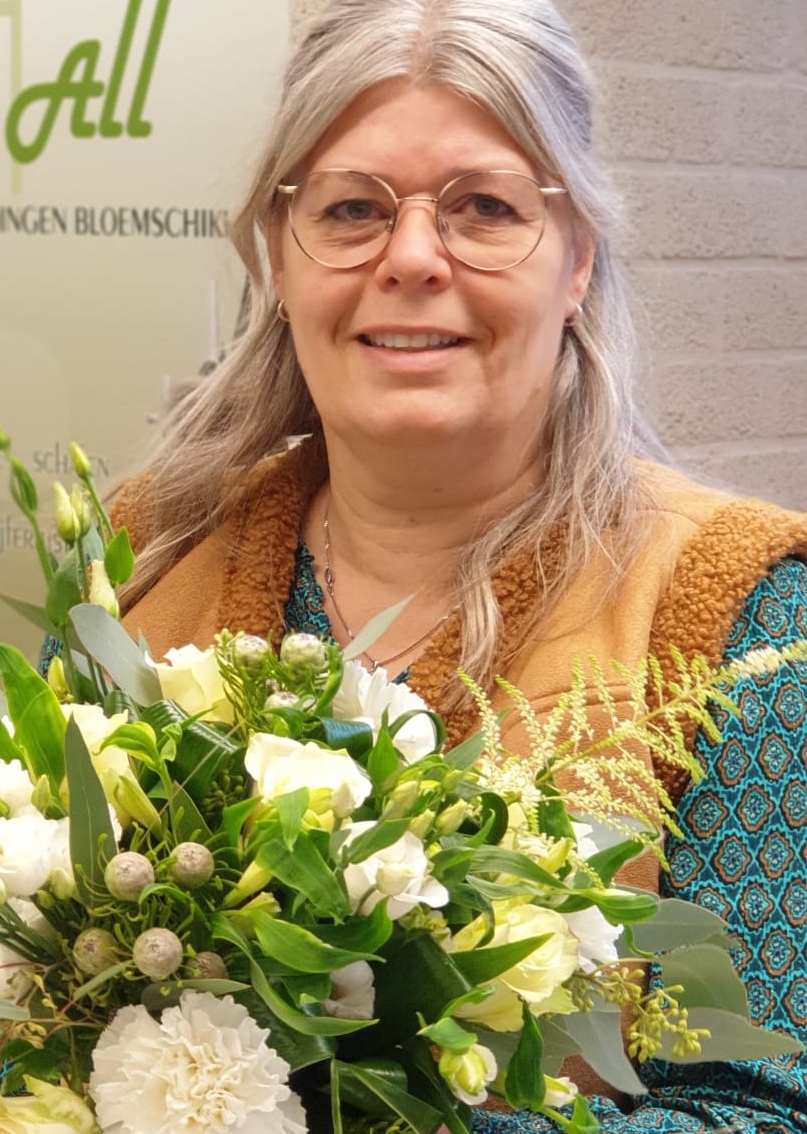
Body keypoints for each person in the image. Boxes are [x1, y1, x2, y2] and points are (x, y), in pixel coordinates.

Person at [106, 0, 807, 1130]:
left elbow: (765, 1106)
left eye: (485, 207)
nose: (413, 259)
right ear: (278, 256)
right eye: (352, 209)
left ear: (577, 259)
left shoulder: (742, 617)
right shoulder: (147, 558)